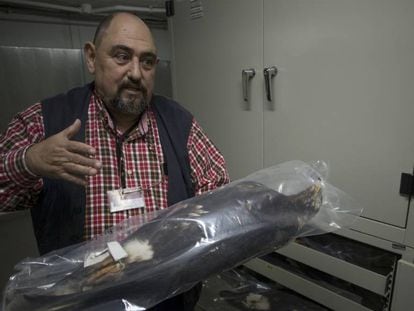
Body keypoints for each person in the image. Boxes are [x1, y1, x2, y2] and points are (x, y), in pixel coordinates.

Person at [0, 12, 229, 310]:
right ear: (92, 58)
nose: (136, 73)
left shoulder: (179, 123)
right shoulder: (46, 120)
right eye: (122, 56)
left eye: (147, 62)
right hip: (80, 301)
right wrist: (29, 161)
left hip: (167, 297)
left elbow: (219, 196)